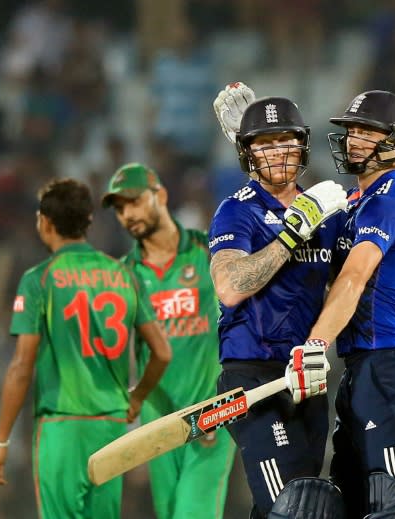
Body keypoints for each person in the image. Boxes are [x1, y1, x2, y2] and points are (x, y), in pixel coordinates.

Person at [292, 90, 395, 519]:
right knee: (351, 502)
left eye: (366, 132)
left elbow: (353, 277)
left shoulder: (389, 204)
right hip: (362, 368)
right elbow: (320, 264)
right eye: (351, 131)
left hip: (389, 368)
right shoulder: (352, 204)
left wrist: (314, 345)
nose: (353, 140)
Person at [0, 178, 172, 519]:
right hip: (111, 428)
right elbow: (162, 353)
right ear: (88, 222)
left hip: (62, 425)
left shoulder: (40, 279)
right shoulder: (125, 275)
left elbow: (21, 367)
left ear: (45, 222)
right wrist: (138, 396)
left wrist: (0, 442)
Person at [209, 84, 348, 518]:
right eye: (264, 144)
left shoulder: (326, 211)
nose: (277, 152)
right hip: (252, 381)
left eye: (286, 140)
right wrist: (292, 233)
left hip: (308, 380)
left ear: (303, 146)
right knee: (291, 508)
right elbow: (230, 286)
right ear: (247, 153)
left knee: (295, 505)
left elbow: (354, 285)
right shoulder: (237, 210)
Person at [100, 162, 236, 519]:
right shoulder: (123, 275)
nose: (128, 214)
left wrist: (223, 397)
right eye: (119, 208)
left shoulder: (208, 250)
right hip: (158, 419)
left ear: (160, 196)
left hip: (211, 407)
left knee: (194, 511)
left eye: (134, 201)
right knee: (172, 512)